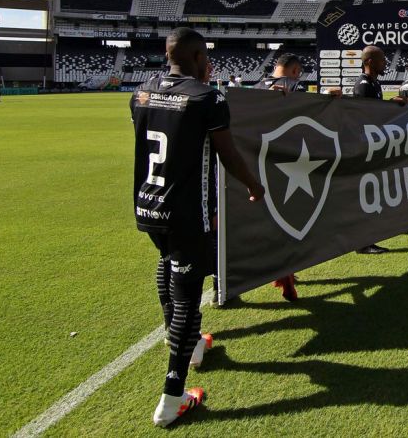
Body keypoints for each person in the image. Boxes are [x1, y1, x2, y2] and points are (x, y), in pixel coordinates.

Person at [131, 28, 264, 427]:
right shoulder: (208, 97)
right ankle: (173, 397)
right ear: (197, 57)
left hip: (148, 203)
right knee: (188, 297)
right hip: (187, 211)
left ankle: (185, 343)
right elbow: (227, 153)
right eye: (205, 56)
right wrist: (254, 185)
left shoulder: (141, 92)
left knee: (167, 263)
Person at [254, 53, 308, 300]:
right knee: (289, 221)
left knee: (270, 220)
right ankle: (285, 278)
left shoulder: (255, 88)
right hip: (291, 165)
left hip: (258, 162)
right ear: (295, 70)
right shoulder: (295, 87)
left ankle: (282, 273)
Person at [352, 45, 406, 253]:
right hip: (365, 147)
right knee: (365, 196)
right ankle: (362, 243)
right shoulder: (363, 85)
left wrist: (391, 104)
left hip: (375, 145)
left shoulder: (374, 83)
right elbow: (366, 117)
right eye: (381, 60)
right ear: (369, 62)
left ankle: (368, 239)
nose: (385, 63)